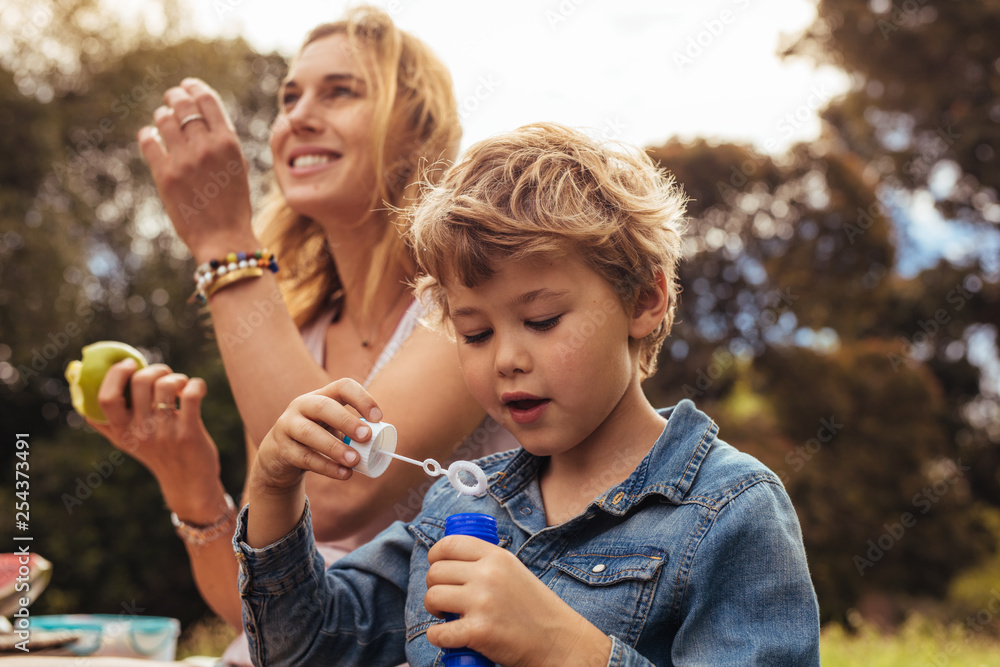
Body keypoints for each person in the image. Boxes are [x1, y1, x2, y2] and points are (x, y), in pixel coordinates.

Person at [235, 123, 822, 666]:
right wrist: (273, 488)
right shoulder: (455, 508)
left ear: (645, 300)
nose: (506, 359)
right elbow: (305, 649)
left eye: (541, 320)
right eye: (475, 333)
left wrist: (562, 644)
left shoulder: (731, 514)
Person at [85, 5, 515, 660]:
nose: (297, 117)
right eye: (290, 98)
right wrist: (192, 483)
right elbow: (270, 613)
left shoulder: (465, 301)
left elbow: (337, 487)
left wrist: (224, 244)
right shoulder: (295, 331)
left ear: (417, 131)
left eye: (340, 91)